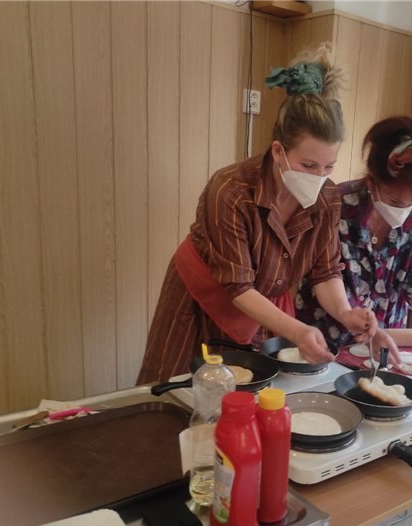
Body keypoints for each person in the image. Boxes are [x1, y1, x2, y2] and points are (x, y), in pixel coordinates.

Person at [137, 44, 376, 385]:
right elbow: (237, 286)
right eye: (308, 165)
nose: (319, 177)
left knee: (249, 392)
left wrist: (345, 311)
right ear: (278, 151)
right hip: (201, 300)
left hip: (262, 306)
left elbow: (326, 271)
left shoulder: (327, 198)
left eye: (329, 167)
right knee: (181, 388)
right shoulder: (231, 190)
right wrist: (298, 330)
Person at [295, 115, 412, 361]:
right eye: (395, 201)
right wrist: (367, 327)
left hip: (387, 332)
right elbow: (323, 273)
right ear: (371, 181)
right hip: (326, 330)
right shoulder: (337, 205)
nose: (404, 209)